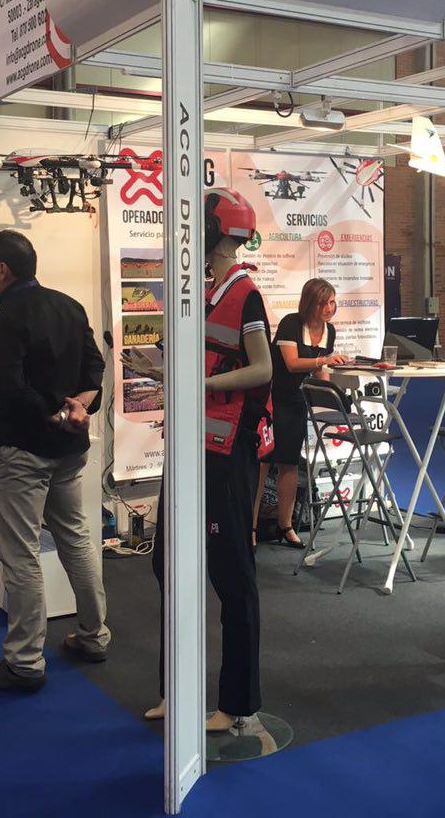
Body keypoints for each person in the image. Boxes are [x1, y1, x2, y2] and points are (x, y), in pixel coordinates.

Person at [148, 189, 273, 732]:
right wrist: (163, 371)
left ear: (217, 232)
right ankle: (176, 689)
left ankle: (237, 702)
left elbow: (263, 368)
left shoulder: (246, 295)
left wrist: (201, 384)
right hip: (190, 445)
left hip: (225, 452)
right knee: (168, 564)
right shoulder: (200, 289)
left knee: (231, 574)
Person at [0, 230, 109, 692]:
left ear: (4, 270)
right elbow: (95, 368)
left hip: (23, 451)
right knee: (76, 539)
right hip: (68, 449)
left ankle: (24, 662)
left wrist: (54, 413)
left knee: (21, 556)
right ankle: (94, 635)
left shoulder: (6, 315)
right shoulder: (69, 305)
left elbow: (11, 386)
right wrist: (79, 409)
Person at [251, 277, 351, 548]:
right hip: (271, 398)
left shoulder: (329, 331)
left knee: (290, 463)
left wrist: (330, 394)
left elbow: (320, 373)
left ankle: (286, 525)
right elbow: (292, 363)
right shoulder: (291, 323)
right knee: (262, 463)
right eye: (323, 303)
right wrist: (324, 360)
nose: (330, 308)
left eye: (332, 302)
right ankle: (250, 527)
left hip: (296, 401)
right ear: (310, 303)